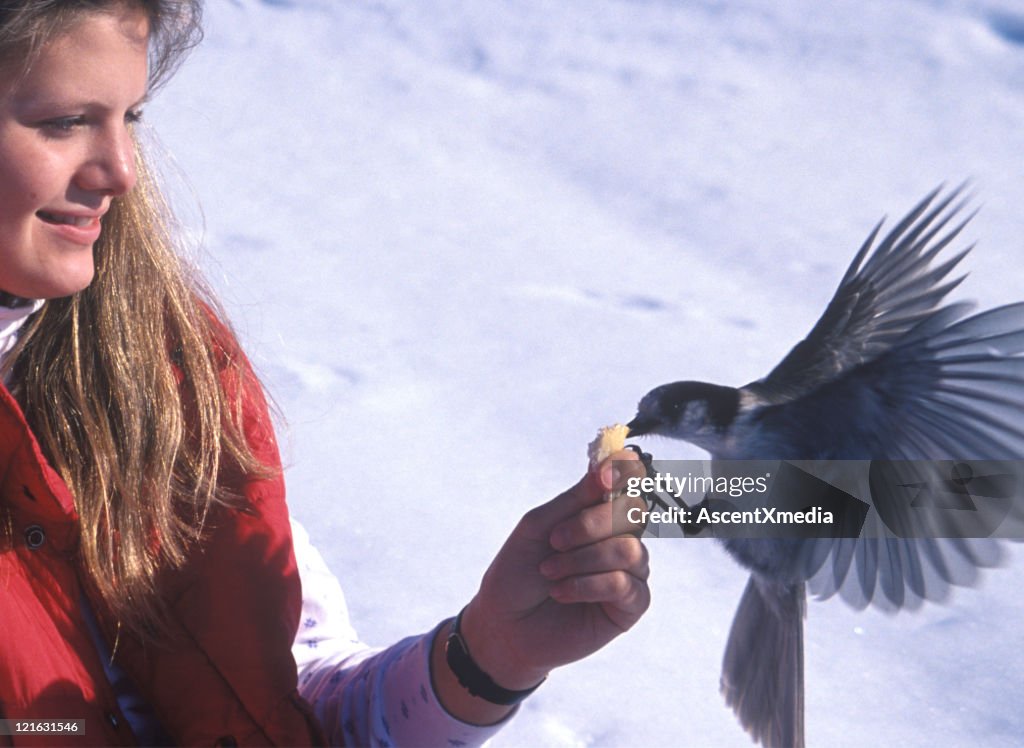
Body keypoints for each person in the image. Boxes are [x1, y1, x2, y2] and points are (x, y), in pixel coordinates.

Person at [0, 1, 652, 745]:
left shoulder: (160, 372)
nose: (119, 170)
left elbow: (277, 703)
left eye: (133, 118)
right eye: (62, 122)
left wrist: (484, 659)